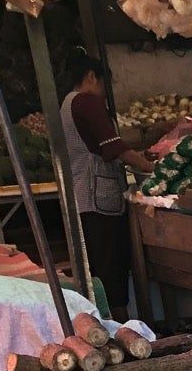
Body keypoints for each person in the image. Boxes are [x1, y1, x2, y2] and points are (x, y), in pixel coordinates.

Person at [60, 53, 153, 317]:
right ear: (91, 77)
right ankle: (120, 326)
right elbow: (114, 146)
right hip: (98, 198)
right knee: (110, 268)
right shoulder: (86, 101)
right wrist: (147, 165)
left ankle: (109, 322)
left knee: (98, 268)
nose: (102, 92)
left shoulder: (66, 104)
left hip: (82, 197)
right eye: (103, 84)